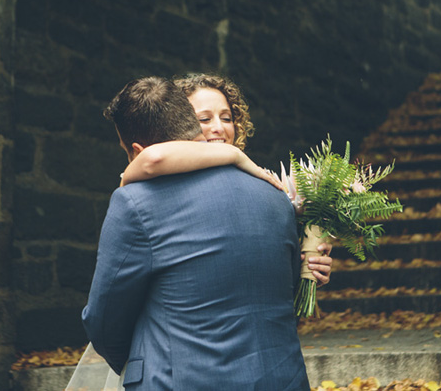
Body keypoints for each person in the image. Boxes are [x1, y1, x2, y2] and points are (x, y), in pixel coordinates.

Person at [80, 76, 310, 390]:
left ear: (135, 150)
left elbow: (103, 321)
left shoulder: (135, 202)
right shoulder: (275, 197)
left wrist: (140, 362)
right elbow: (285, 298)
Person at [121, 72, 333, 286]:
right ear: (180, 123)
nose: (219, 128)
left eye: (226, 118)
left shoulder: (267, 189)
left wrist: (308, 268)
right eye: (204, 119)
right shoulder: (156, 189)